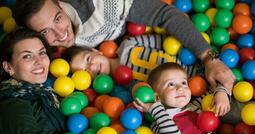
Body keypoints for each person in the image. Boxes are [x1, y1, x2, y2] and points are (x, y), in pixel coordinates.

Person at [12, 0, 235, 96]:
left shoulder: (100, 0)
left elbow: (165, 14)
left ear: (60, 5)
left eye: (58, 19)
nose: (60, 34)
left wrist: (209, 58)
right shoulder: (45, 49)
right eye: (45, 32)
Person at [0, 28, 157, 134]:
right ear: (9, 67)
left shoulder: (45, 90)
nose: (39, 61)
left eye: (42, 53)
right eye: (27, 56)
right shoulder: (12, 106)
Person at [63, 34, 232, 116]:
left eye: (88, 59)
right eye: (84, 73)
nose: (91, 67)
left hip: (199, 63)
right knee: (226, 109)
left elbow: (165, 41)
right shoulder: (120, 90)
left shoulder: (128, 44)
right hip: (195, 95)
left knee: (229, 80)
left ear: (95, 50)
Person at [133, 62, 255, 134]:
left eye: (183, 83)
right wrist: (155, 108)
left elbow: (214, 87)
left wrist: (220, 93)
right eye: (171, 84)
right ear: (156, 97)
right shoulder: (158, 121)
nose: (180, 88)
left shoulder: (197, 104)